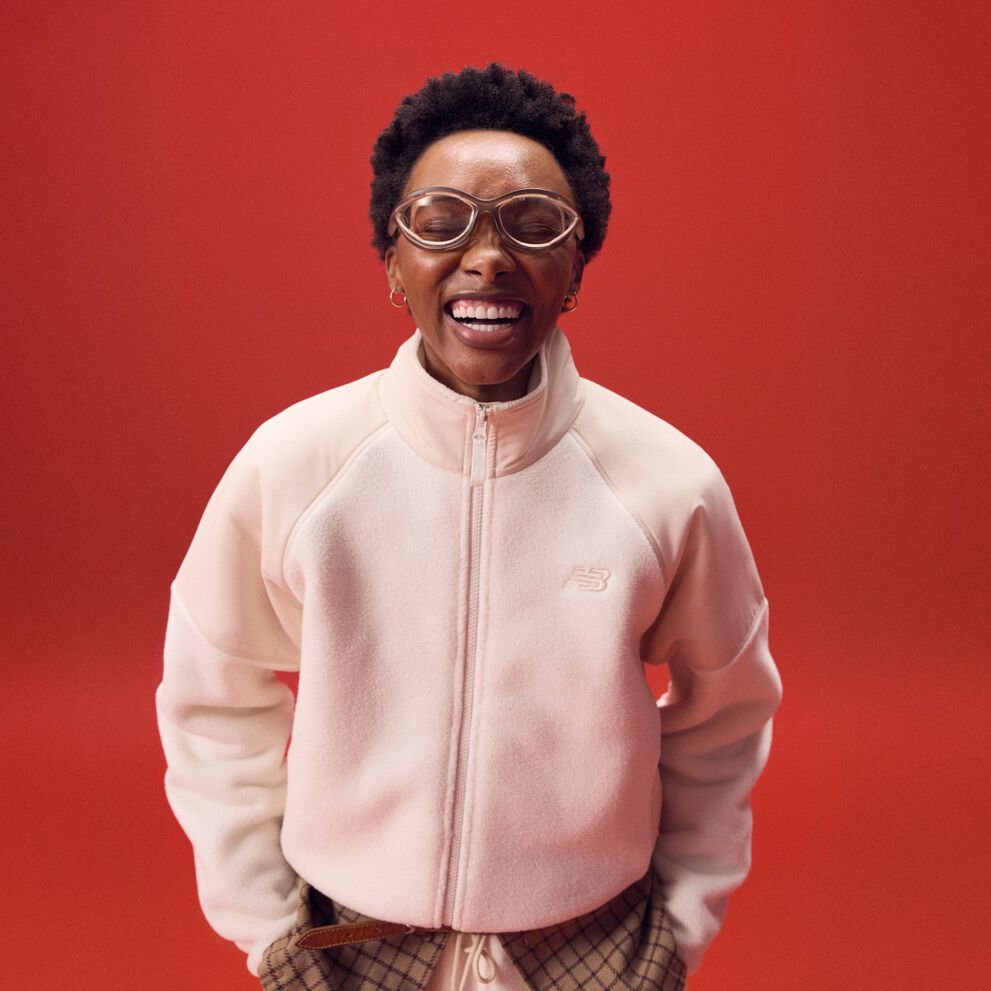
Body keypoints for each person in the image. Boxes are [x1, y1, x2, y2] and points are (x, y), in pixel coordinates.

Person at [156, 63, 782, 991]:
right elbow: (212, 695)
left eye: (533, 224)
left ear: (575, 267)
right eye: (440, 221)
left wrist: (678, 927)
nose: (487, 256)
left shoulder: (667, 483)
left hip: (594, 945)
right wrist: (265, 927)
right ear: (392, 260)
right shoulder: (296, 463)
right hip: (344, 945)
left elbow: (725, 713)